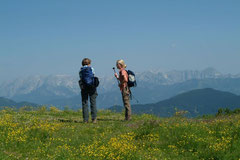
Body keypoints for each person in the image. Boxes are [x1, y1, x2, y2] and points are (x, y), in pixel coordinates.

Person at [79, 58, 98, 123]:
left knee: (85, 103)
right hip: (92, 87)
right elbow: (93, 76)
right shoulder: (91, 69)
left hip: (84, 87)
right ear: (89, 63)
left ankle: (85, 120)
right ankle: (94, 119)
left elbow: (80, 77)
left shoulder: (81, 70)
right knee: (93, 102)